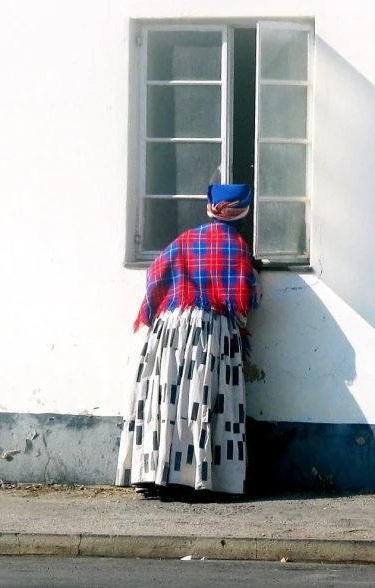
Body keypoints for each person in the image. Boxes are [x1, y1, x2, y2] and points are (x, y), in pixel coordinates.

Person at [115, 184, 260, 497]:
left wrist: (162, 310)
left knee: (166, 400)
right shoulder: (237, 247)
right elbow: (243, 302)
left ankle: (156, 474)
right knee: (204, 400)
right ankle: (202, 479)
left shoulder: (184, 240)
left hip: (169, 330)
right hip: (211, 331)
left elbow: (156, 276)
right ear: (243, 214)